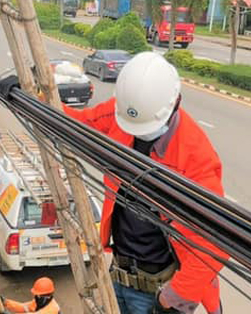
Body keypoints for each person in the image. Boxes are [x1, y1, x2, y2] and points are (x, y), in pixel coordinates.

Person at [63, 52, 225, 314]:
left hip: (160, 290)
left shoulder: (196, 157)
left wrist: (172, 301)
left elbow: (213, 244)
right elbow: (78, 123)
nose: (136, 133)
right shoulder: (125, 114)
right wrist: (27, 98)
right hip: (119, 275)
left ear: (176, 103)